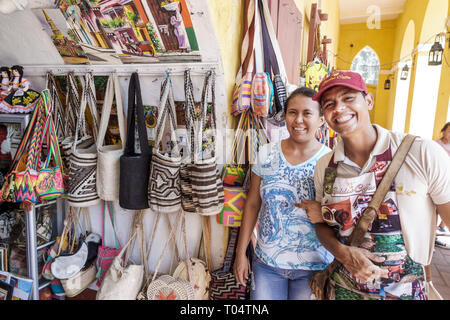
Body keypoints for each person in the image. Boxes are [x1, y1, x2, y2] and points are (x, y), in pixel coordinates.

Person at [297, 70, 450, 300]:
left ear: (368, 100)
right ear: (325, 115)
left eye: (348, 98)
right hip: (343, 290)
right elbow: (323, 225)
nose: (338, 108)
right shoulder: (326, 166)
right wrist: (343, 254)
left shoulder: (421, 153)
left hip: (407, 292)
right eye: (329, 104)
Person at [233, 87, 334, 300]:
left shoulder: (330, 162)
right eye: (292, 112)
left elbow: (337, 216)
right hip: (267, 264)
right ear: (285, 116)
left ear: (321, 119)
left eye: (307, 113)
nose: (298, 120)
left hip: (314, 267)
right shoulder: (266, 153)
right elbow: (252, 204)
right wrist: (240, 253)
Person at [434, 122, 450, 247]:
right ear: (443, 131)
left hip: (447, 180)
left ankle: (440, 228)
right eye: (449, 131)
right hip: (436, 180)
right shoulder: (435, 145)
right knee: (434, 209)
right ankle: (432, 236)